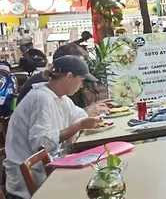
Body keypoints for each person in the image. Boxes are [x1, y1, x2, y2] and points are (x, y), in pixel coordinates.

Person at [4, 55, 104, 199]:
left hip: (48, 170)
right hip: (29, 185)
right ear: (69, 76)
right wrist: (79, 126)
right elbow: (41, 143)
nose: (81, 86)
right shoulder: (41, 98)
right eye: (81, 80)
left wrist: (89, 119)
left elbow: (79, 115)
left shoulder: (60, 98)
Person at [18, 43, 109, 114]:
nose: (81, 85)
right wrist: (87, 112)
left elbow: (70, 114)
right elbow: (51, 131)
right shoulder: (43, 92)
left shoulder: (56, 86)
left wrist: (93, 108)